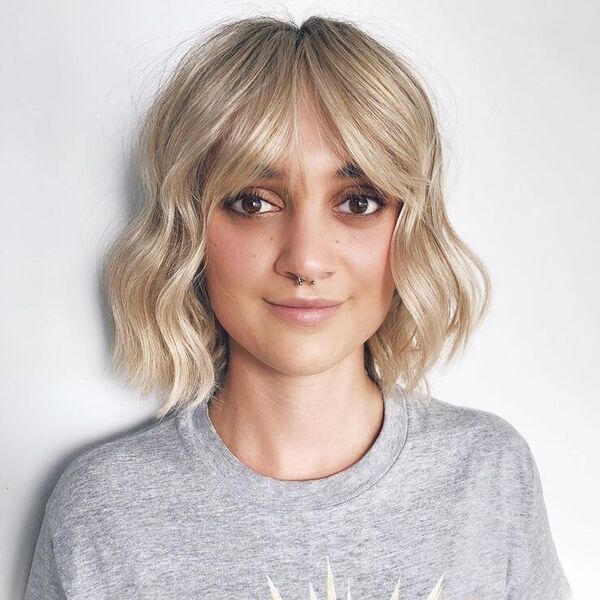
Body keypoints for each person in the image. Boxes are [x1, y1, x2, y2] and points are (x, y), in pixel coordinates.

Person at [24, 14, 573, 600]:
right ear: (190, 229)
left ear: (410, 228)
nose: (306, 260)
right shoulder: (107, 510)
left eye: (358, 202)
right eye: (253, 202)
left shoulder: (487, 477)